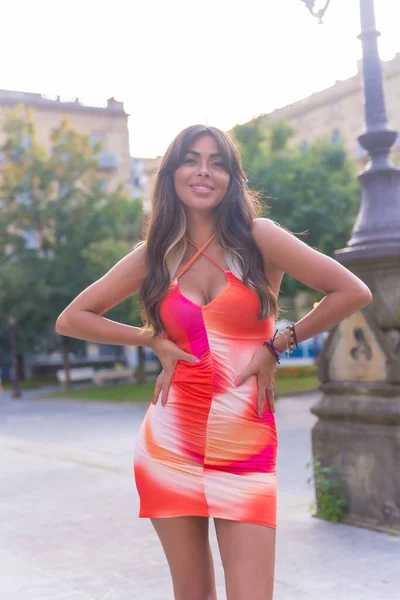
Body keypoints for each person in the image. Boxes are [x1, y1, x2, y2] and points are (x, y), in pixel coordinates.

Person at [55, 124, 372, 600]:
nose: (204, 171)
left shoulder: (259, 238)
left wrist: (278, 344)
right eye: (191, 159)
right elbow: (72, 318)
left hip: (245, 441)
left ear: (231, 178)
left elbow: (352, 291)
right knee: (193, 593)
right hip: (170, 442)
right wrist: (151, 339)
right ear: (171, 174)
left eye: (217, 162)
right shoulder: (155, 257)